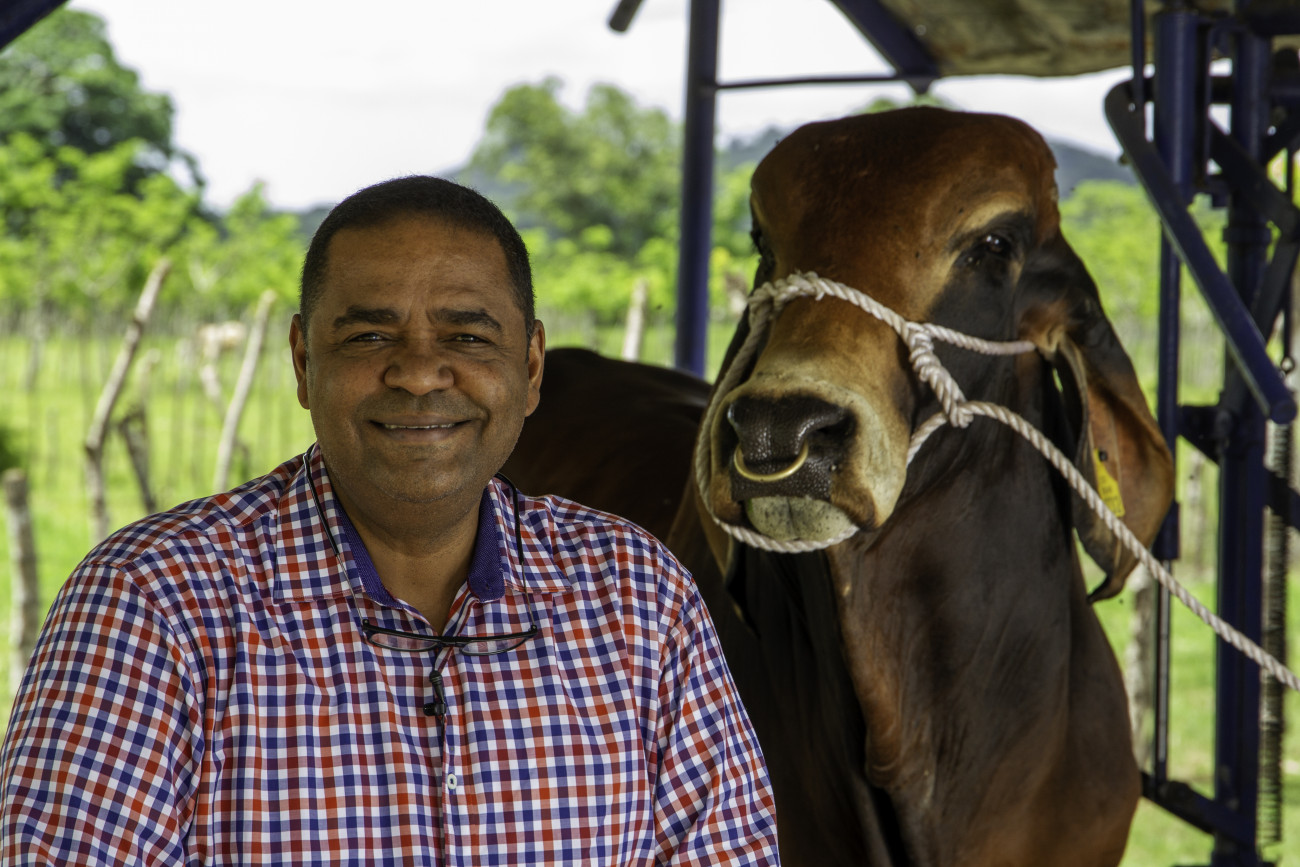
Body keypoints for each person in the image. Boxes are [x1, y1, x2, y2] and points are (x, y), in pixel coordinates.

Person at [0, 176, 781, 865]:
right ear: (304, 363)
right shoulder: (151, 602)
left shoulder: (635, 595)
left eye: (467, 336)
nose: (418, 373)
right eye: (369, 336)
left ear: (530, 366)